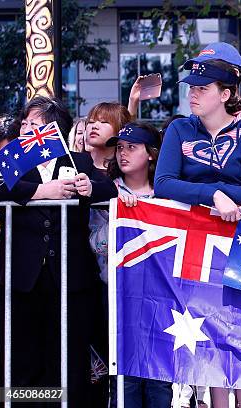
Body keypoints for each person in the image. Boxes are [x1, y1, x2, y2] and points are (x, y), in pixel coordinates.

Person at [154, 54, 241, 408]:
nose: (193, 95)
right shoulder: (179, 129)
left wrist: (217, 194)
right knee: (209, 332)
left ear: (225, 94)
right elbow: (163, 184)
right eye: (192, 88)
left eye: (202, 89)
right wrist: (213, 194)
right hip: (196, 242)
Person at [0, 96, 118, 406]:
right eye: (23, 124)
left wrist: (90, 187)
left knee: (67, 358)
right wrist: (41, 192)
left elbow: (109, 190)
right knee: (20, 360)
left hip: (69, 279)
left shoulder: (79, 161)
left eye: (34, 125)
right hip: (21, 279)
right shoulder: (12, 162)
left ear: (54, 130)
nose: (26, 130)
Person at [88, 121, 173, 406]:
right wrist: (117, 209)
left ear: (150, 154)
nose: (123, 153)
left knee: (160, 381)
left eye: (132, 147)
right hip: (117, 295)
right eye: (120, 148)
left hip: (160, 298)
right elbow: (97, 244)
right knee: (124, 380)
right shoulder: (106, 191)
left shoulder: (167, 193)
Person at [85, 102, 132, 171]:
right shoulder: (74, 163)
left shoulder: (127, 172)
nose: (94, 126)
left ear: (120, 128)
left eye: (103, 122)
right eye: (91, 122)